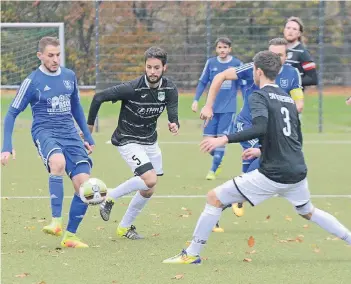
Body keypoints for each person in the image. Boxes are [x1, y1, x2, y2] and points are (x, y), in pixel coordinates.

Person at [162, 51, 351, 264]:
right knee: (308, 211)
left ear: (258, 71)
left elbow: (260, 127)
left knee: (214, 198)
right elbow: (293, 137)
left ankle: (192, 254)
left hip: (273, 173)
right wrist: (260, 151)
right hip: (297, 171)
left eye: (253, 69)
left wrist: (223, 139)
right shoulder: (287, 99)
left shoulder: (258, 96)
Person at [1, 37, 95, 248]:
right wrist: (6, 145)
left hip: (70, 134)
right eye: (50, 55)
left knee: (84, 185)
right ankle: (56, 222)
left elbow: (76, 108)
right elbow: (11, 113)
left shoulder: (69, 76)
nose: (55, 59)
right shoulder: (32, 81)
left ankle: (70, 235)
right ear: (40, 56)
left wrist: (87, 136)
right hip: (45, 131)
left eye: (58, 55)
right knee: (58, 163)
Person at [209, 38, 304, 231]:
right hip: (248, 125)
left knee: (251, 171)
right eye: (272, 53)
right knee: (258, 166)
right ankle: (231, 198)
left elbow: (299, 102)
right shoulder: (254, 68)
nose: (275, 58)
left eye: (280, 55)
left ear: (286, 56)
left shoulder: (292, 73)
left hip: (271, 129)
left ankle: (223, 205)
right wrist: (208, 105)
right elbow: (220, 76)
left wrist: (291, 112)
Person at [87, 46, 179, 240]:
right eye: (149, 67)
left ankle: (124, 227)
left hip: (149, 141)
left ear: (164, 68)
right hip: (127, 139)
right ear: (144, 67)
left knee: (149, 189)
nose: (152, 72)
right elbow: (98, 97)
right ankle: (109, 196)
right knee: (150, 179)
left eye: (156, 68)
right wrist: (89, 127)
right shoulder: (132, 88)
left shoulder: (170, 89)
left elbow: (173, 113)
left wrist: (174, 123)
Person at [191, 37, 243, 181]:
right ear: (216, 49)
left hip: (228, 109)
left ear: (230, 49)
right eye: (220, 47)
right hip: (211, 109)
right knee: (208, 143)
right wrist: (196, 100)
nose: (222, 50)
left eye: (225, 47)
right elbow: (202, 82)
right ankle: (218, 159)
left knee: (220, 139)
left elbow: (245, 82)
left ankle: (213, 170)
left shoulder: (237, 64)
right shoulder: (211, 63)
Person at [284, 16, 318, 112]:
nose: (290, 31)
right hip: (277, 98)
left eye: (294, 29)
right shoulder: (280, 49)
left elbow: (313, 79)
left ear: (299, 33)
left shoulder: (302, 53)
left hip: (293, 100)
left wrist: (291, 83)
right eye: (288, 28)